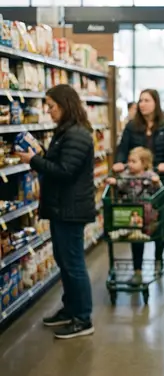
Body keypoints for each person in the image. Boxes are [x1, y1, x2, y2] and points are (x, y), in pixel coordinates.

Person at [17, 84, 96, 340]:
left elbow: (64, 171)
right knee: (64, 261)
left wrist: (33, 161)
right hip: (62, 207)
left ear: (64, 105)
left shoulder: (77, 134)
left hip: (70, 209)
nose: (48, 111)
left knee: (73, 264)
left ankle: (83, 318)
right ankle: (70, 309)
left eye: (51, 106)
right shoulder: (66, 132)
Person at [113, 89, 164, 283]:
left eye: (146, 100)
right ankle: (137, 268)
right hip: (136, 181)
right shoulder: (132, 126)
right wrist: (119, 162)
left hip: (159, 181)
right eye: (140, 100)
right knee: (137, 222)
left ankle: (158, 259)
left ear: (156, 103)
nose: (142, 104)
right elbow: (122, 148)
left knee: (158, 221)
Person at [107, 147, 161, 236]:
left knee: (149, 210)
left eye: (133, 161)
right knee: (125, 209)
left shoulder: (149, 175)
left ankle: (148, 227)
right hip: (130, 206)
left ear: (144, 163)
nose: (130, 164)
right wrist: (115, 182)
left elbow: (158, 190)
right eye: (129, 161)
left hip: (146, 208)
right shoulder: (126, 174)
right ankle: (127, 230)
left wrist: (156, 182)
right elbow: (121, 184)